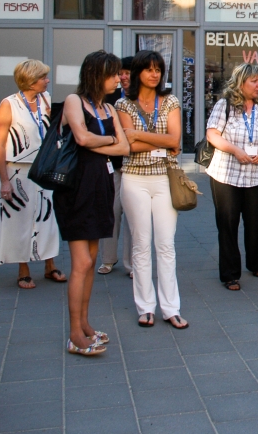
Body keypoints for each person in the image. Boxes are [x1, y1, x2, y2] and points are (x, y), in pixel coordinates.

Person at [53, 51, 130, 355]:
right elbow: (82, 139)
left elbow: (124, 147)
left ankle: (85, 324)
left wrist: (104, 142)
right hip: (76, 187)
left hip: (101, 185)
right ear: (96, 75)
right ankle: (74, 334)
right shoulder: (74, 101)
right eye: (113, 74)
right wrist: (109, 141)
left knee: (92, 258)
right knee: (82, 263)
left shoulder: (108, 108)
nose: (118, 79)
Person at [116, 50, 188, 329]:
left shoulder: (170, 101)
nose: (154, 74)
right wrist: (160, 141)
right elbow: (128, 146)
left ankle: (171, 308)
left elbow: (175, 139)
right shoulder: (123, 104)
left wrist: (138, 134)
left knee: (166, 244)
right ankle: (145, 307)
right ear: (137, 73)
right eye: (148, 69)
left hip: (164, 179)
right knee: (141, 244)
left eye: (158, 69)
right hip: (134, 178)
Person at [0, 60, 64, 288]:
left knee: (48, 218)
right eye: (43, 77)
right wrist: (4, 180)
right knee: (20, 220)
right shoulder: (9, 104)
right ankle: (23, 268)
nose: (47, 80)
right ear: (31, 80)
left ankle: (50, 264)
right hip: (18, 170)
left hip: (44, 169)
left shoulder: (46, 100)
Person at [205, 63, 258, 290]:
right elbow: (212, 135)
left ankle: (253, 263)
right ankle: (230, 274)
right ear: (240, 83)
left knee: (255, 223)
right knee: (228, 224)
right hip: (226, 175)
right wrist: (235, 150)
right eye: (254, 81)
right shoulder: (224, 105)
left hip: (255, 176)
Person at [99, 57, 134, 276]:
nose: (123, 77)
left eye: (127, 73)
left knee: (132, 215)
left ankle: (131, 264)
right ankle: (108, 259)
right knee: (111, 211)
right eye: (120, 73)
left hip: (135, 164)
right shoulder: (109, 98)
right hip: (113, 163)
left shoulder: (142, 98)